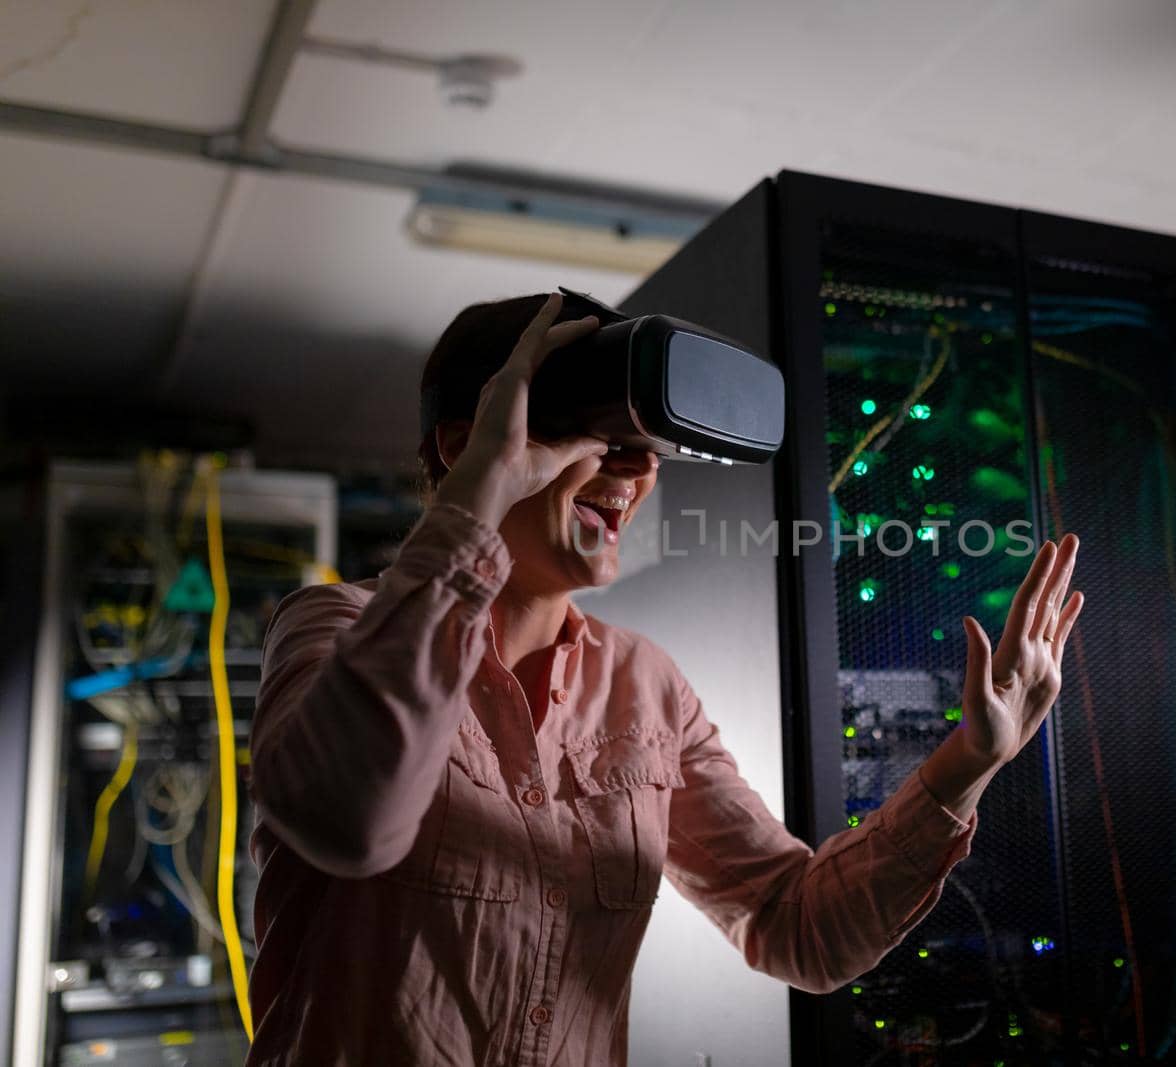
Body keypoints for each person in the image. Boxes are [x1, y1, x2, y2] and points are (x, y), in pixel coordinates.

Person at [245, 293, 1084, 1066]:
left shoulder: (645, 685)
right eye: (602, 440)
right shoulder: (335, 628)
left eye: (648, 450)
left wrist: (970, 761)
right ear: (472, 446)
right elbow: (353, 820)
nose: (636, 473)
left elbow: (797, 926)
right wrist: (478, 494)